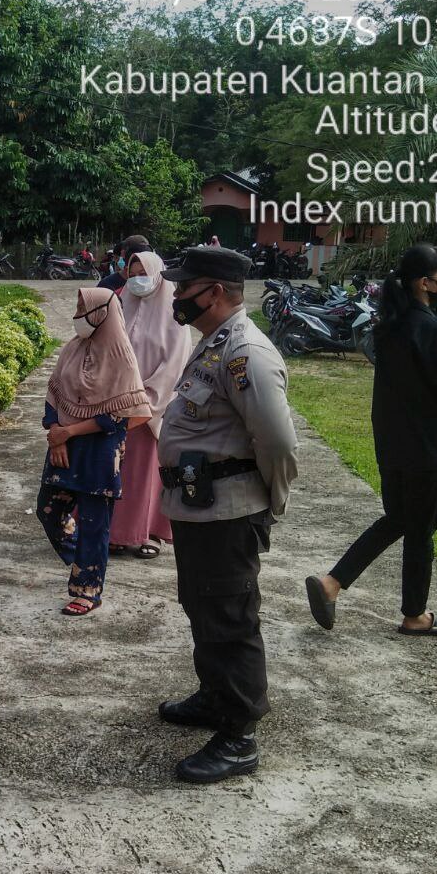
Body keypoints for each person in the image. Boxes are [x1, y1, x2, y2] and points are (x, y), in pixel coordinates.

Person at [156, 246, 299, 783]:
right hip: (199, 509)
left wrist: (271, 502)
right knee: (203, 606)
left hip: (229, 512)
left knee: (230, 619)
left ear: (214, 292)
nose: (176, 294)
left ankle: (239, 735)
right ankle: (216, 697)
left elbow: (279, 441)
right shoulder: (213, 345)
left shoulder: (246, 353)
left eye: (185, 286)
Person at [305, 245, 437, 637]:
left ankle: (332, 583)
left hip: (391, 444)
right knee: (421, 531)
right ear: (425, 284)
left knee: (399, 519)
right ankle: (415, 615)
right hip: (426, 448)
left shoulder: (389, 328)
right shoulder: (433, 331)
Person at [37, 288, 152, 615]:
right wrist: (55, 435)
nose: (76, 315)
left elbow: (119, 415)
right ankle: (85, 562)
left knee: (93, 522)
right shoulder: (72, 348)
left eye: (82, 308)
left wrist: (68, 431)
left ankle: (87, 588)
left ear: (103, 313)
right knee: (49, 511)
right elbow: (53, 392)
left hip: (100, 452)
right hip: (62, 446)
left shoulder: (122, 358)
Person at [109, 250, 192, 559]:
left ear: (158, 275)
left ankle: (153, 533)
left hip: (152, 407)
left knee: (148, 473)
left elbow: (174, 364)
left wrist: (146, 403)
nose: (137, 279)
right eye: (132, 273)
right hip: (117, 401)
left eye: (143, 272)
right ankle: (118, 532)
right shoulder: (120, 306)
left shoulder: (175, 316)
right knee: (119, 471)